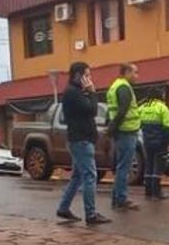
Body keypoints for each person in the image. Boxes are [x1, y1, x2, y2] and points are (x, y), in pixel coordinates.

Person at [56, 62, 111, 225]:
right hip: (81, 140)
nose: (90, 79)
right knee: (90, 175)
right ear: (78, 75)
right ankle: (91, 214)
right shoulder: (73, 93)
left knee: (77, 176)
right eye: (87, 75)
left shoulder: (76, 92)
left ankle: (64, 208)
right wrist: (92, 93)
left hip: (80, 139)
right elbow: (92, 110)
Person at [106, 63, 142, 211]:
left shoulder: (114, 86)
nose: (137, 76)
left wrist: (112, 129)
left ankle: (117, 198)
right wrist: (112, 129)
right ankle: (121, 199)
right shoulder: (124, 88)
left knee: (121, 166)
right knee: (124, 167)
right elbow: (122, 111)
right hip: (127, 131)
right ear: (126, 72)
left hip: (121, 131)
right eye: (135, 72)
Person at [135, 87, 169, 200]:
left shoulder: (142, 107)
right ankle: (156, 193)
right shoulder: (162, 108)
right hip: (160, 141)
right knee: (158, 166)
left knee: (149, 165)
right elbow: (168, 126)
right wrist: (168, 141)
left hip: (146, 141)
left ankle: (148, 191)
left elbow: (136, 122)